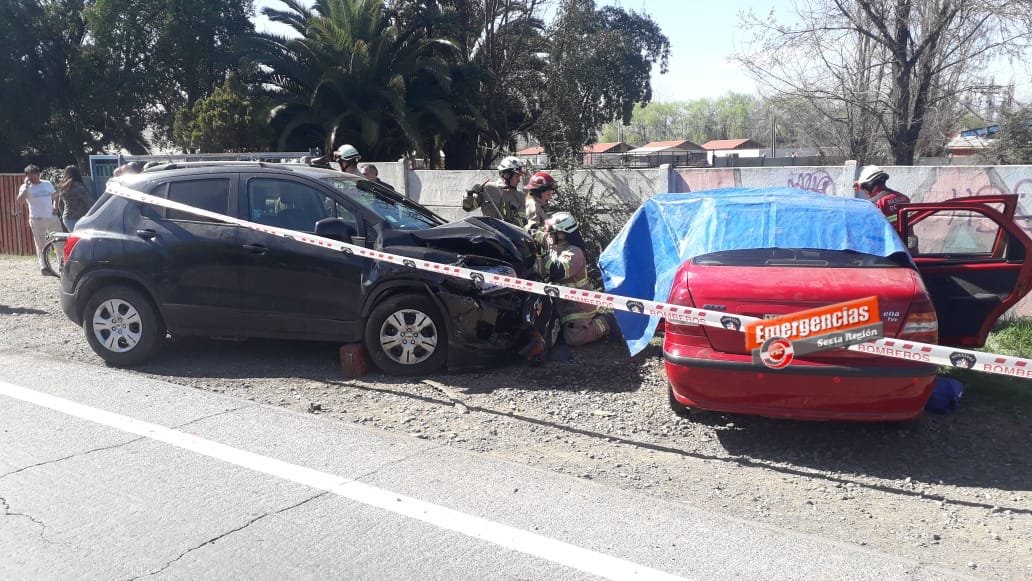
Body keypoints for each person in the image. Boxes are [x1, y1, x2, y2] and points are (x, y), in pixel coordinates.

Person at [540, 211, 616, 347]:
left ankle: (606, 321)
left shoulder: (574, 252)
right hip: (562, 304)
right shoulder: (556, 246)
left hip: (578, 307)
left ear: (562, 234)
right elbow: (540, 237)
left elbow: (558, 271)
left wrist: (542, 256)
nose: (549, 235)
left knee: (574, 339)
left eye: (552, 232)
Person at [14, 164, 61, 276]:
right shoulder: (25, 187)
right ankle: (44, 267)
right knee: (41, 244)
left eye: (35, 176)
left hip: (52, 217)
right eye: (30, 177)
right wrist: (26, 187)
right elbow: (20, 201)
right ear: (27, 177)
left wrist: (55, 206)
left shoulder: (47, 184)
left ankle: (62, 265)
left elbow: (56, 195)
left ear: (39, 174)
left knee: (59, 241)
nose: (33, 179)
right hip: (37, 219)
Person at [462, 156, 527, 227]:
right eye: (517, 176)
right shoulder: (488, 189)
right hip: (489, 234)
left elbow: (523, 220)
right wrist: (469, 195)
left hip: (509, 236)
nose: (519, 180)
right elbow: (468, 207)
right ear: (507, 175)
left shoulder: (520, 196)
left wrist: (511, 224)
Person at [56, 165, 92, 232]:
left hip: (67, 218)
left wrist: (63, 215)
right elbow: (88, 202)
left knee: (75, 238)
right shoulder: (78, 186)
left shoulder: (63, 186)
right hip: (79, 218)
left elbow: (60, 204)